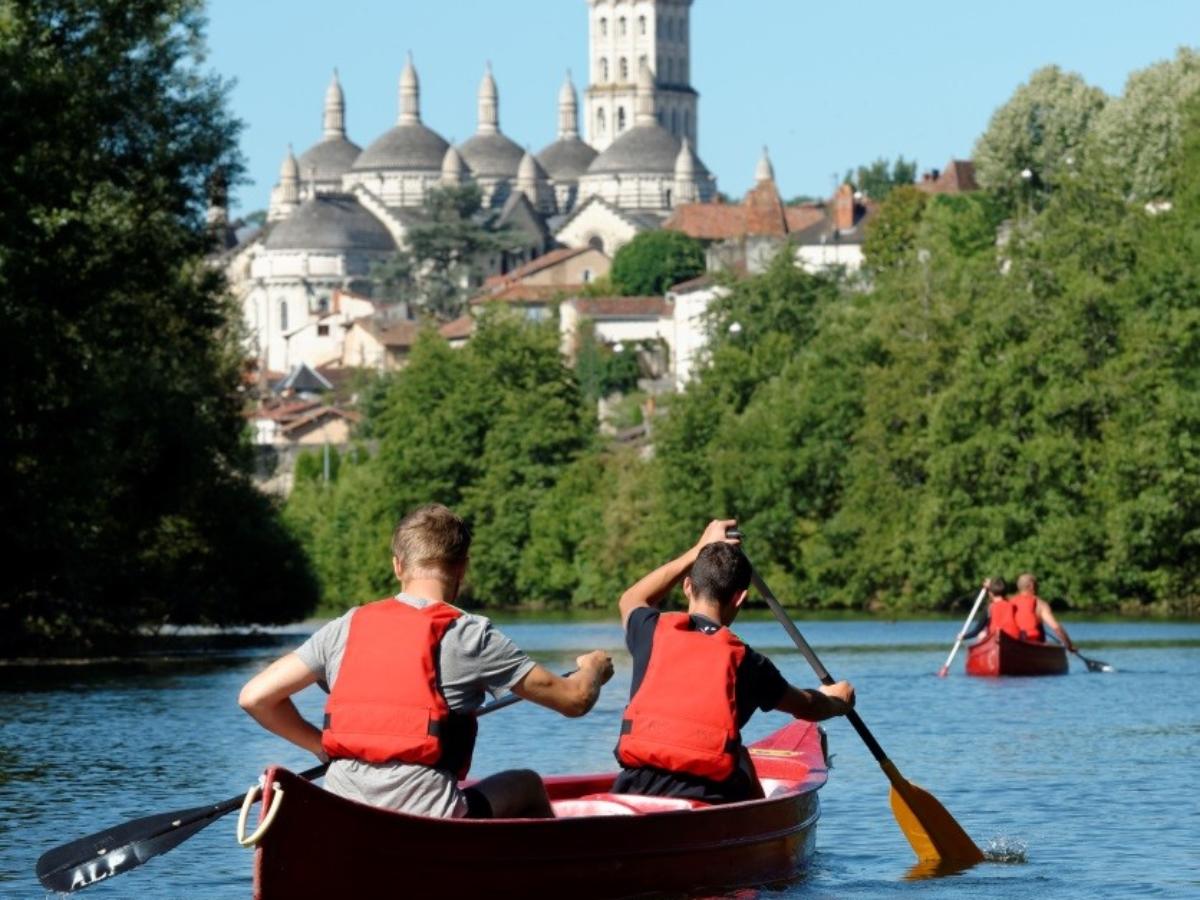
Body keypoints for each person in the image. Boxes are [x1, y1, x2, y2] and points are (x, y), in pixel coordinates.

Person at [238, 503, 614, 819]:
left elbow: (255, 697)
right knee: (526, 784)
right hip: (426, 819)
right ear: (462, 567)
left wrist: (320, 746)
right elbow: (575, 699)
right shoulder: (471, 634)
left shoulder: (346, 626)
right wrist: (593, 667)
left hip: (343, 811)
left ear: (398, 566)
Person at [610, 519, 855, 805]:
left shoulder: (651, 630)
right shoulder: (748, 663)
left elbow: (631, 598)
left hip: (633, 788)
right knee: (737, 754)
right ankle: (760, 818)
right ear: (740, 599)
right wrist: (837, 701)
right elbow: (808, 707)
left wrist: (698, 549)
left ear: (687, 586)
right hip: (708, 796)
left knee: (738, 753)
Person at [967, 573, 1076, 650]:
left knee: (982, 634)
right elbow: (1056, 628)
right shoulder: (1040, 604)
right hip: (1030, 643)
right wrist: (1069, 645)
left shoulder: (1009, 602)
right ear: (1032, 586)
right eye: (1037, 585)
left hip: (1013, 643)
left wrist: (990, 585)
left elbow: (997, 596)